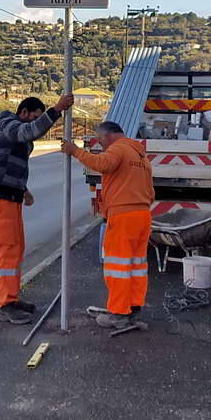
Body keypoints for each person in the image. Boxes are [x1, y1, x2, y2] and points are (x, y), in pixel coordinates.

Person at [0, 93, 75, 324]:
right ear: (23, 112)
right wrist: (56, 109)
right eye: (34, 117)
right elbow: (28, 131)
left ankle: (12, 298)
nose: (36, 122)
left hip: (11, 195)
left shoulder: (18, 132)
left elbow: (11, 163)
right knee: (8, 249)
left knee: (15, 248)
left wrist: (23, 189)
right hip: (0, 195)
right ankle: (5, 304)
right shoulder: (8, 124)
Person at [61, 121, 155, 330]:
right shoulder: (140, 156)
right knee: (136, 266)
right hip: (142, 215)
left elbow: (103, 164)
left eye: (101, 140)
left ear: (108, 136)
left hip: (123, 216)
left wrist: (75, 151)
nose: (101, 144)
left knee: (118, 267)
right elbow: (151, 192)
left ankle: (119, 314)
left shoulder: (118, 148)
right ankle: (133, 307)